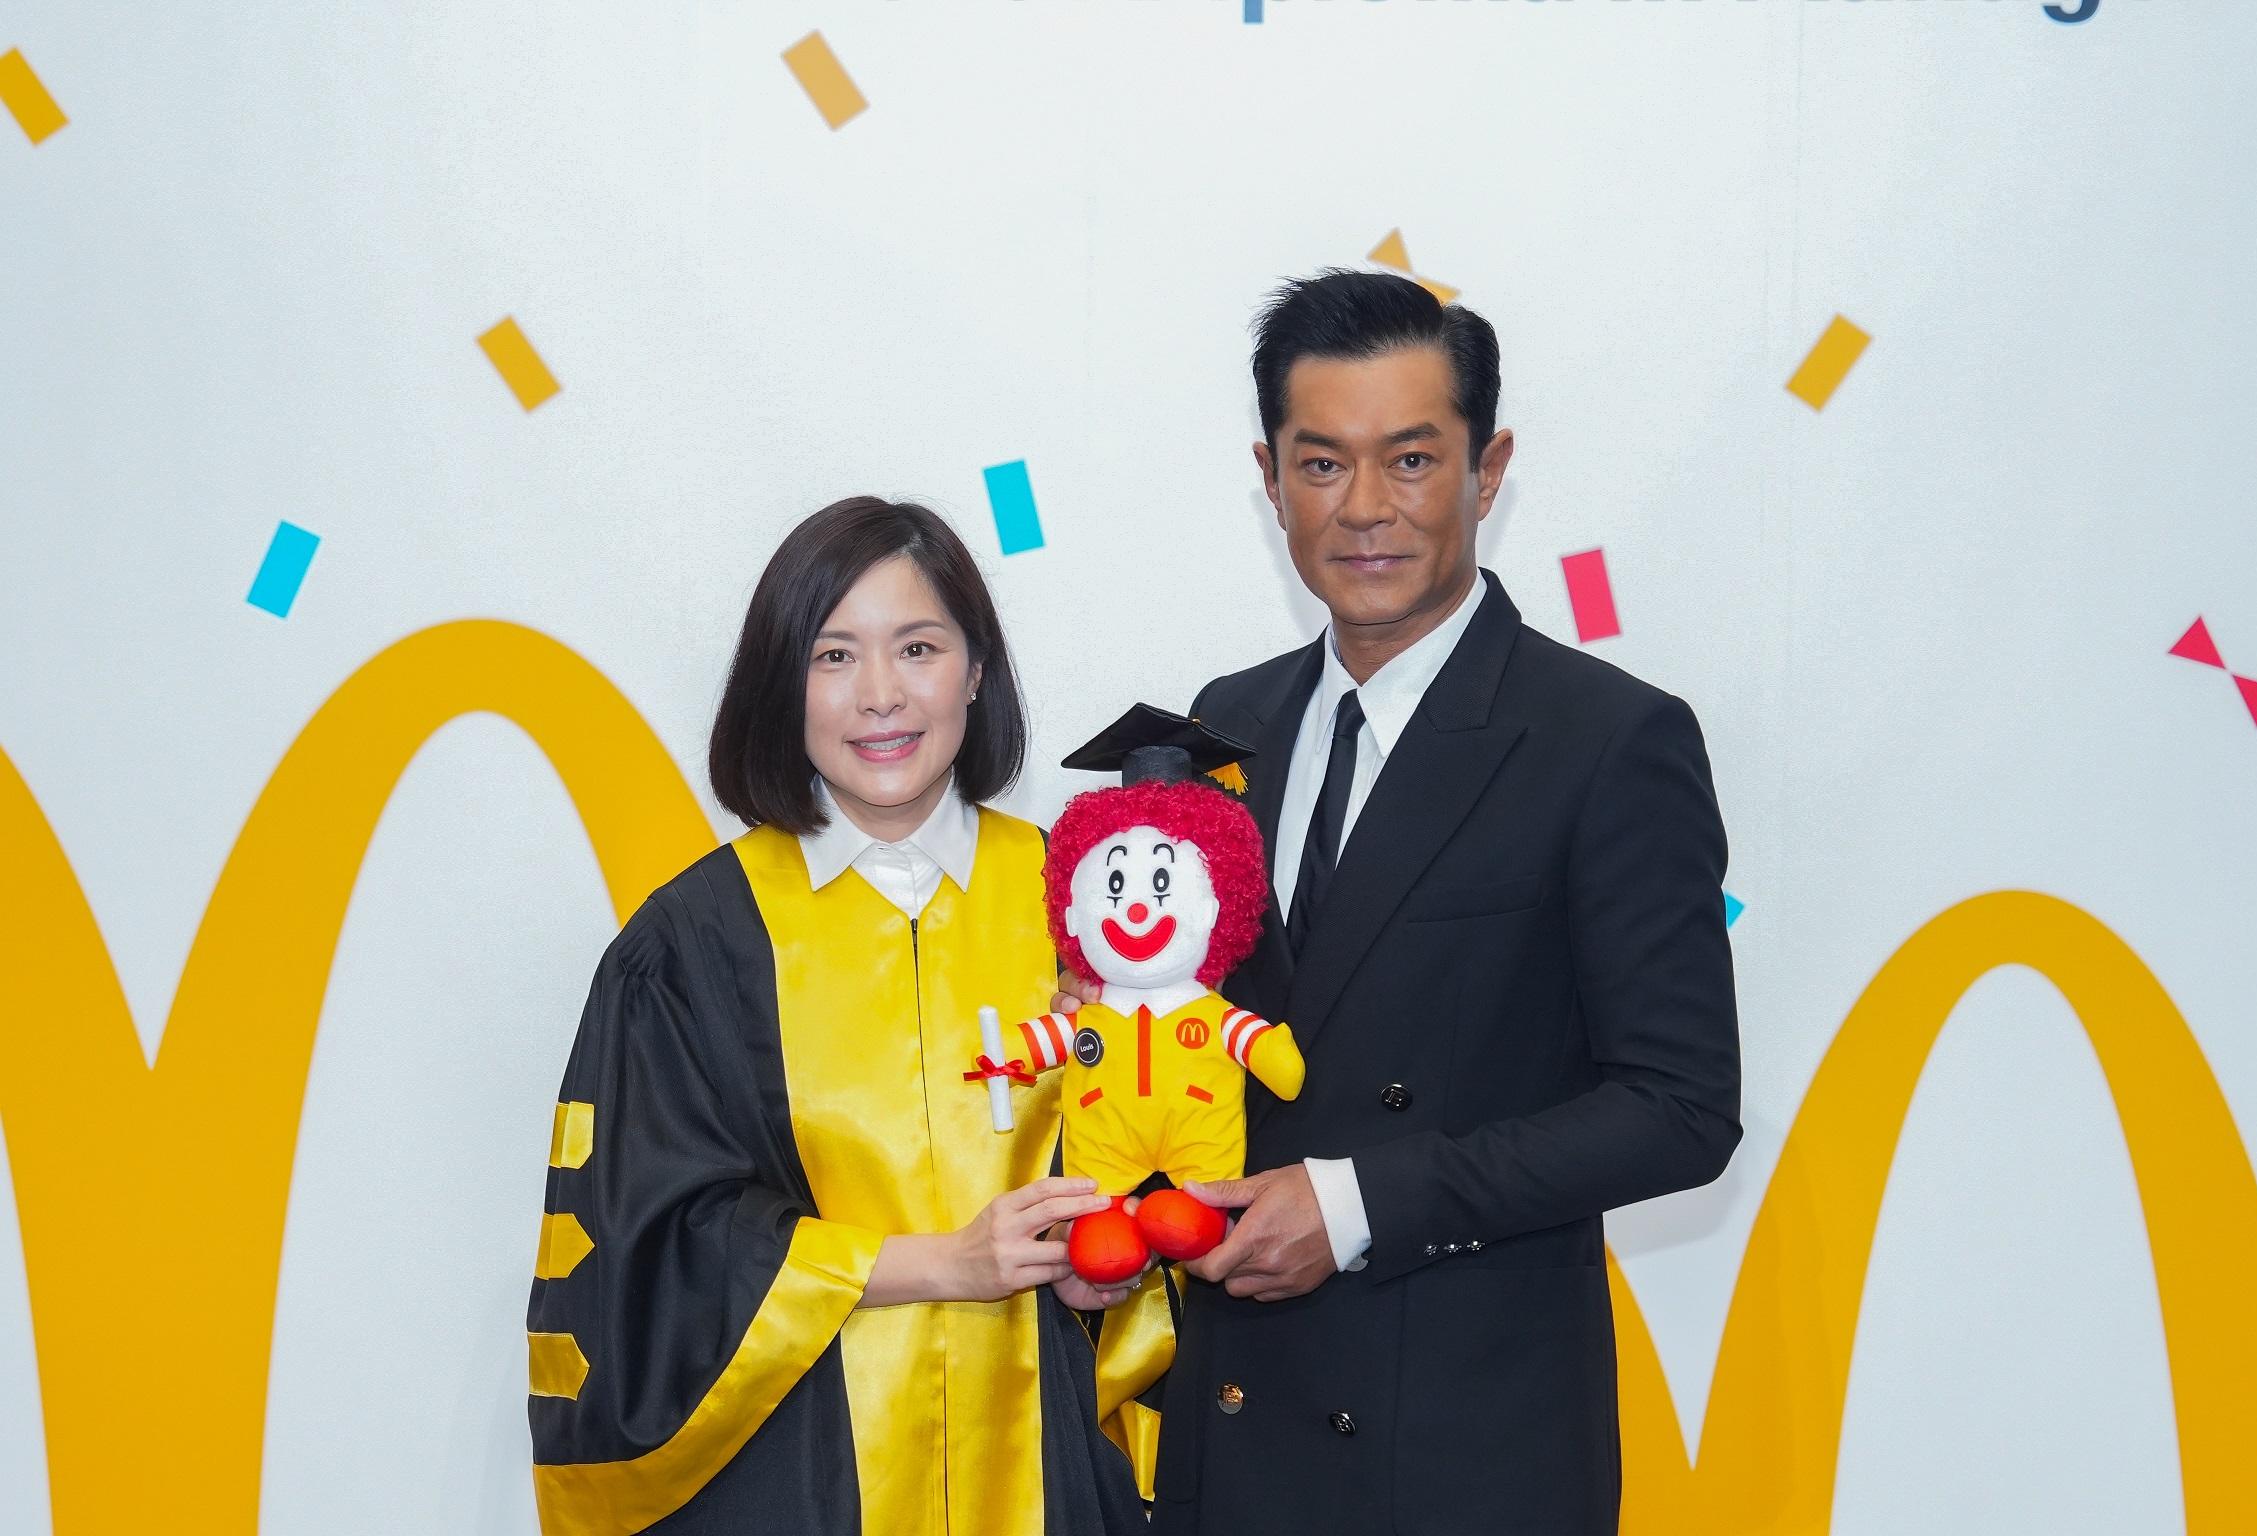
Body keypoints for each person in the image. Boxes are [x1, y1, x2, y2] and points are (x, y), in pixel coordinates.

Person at [1120, 271, 1744, 1534]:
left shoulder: (1607, 738)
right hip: (1231, 1431)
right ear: (1270, 478)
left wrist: (1358, 1206)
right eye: (1321, 464)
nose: (1365, 508)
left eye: (1411, 460)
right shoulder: (1226, 722)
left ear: (1487, 469)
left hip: (1467, 1447)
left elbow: (1681, 1109)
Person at [526, 497, 1150, 1535]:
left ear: (976, 670)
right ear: (784, 686)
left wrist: (1111, 1263)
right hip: (795, 1478)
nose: (880, 695)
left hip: (1048, 1465)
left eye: (918, 648)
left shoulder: (1087, 908)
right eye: (833, 656)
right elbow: (656, 1246)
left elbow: (1176, 1170)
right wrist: (942, 1265)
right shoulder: (695, 944)